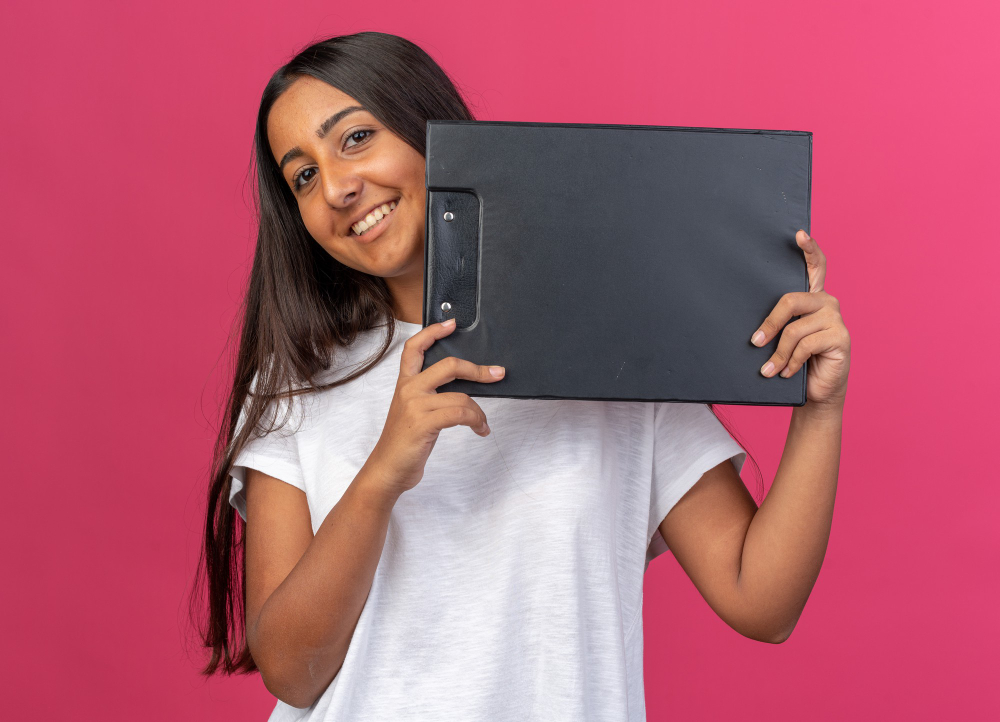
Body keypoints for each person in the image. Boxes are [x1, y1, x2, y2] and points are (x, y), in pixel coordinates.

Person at [191, 31, 851, 721]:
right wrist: (383, 472)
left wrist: (819, 410)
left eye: (355, 138)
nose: (337, 187)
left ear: (430, 129)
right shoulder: (300, 381)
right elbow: (293, 676)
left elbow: (762, 601)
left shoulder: (615, 338)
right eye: (302, 175)